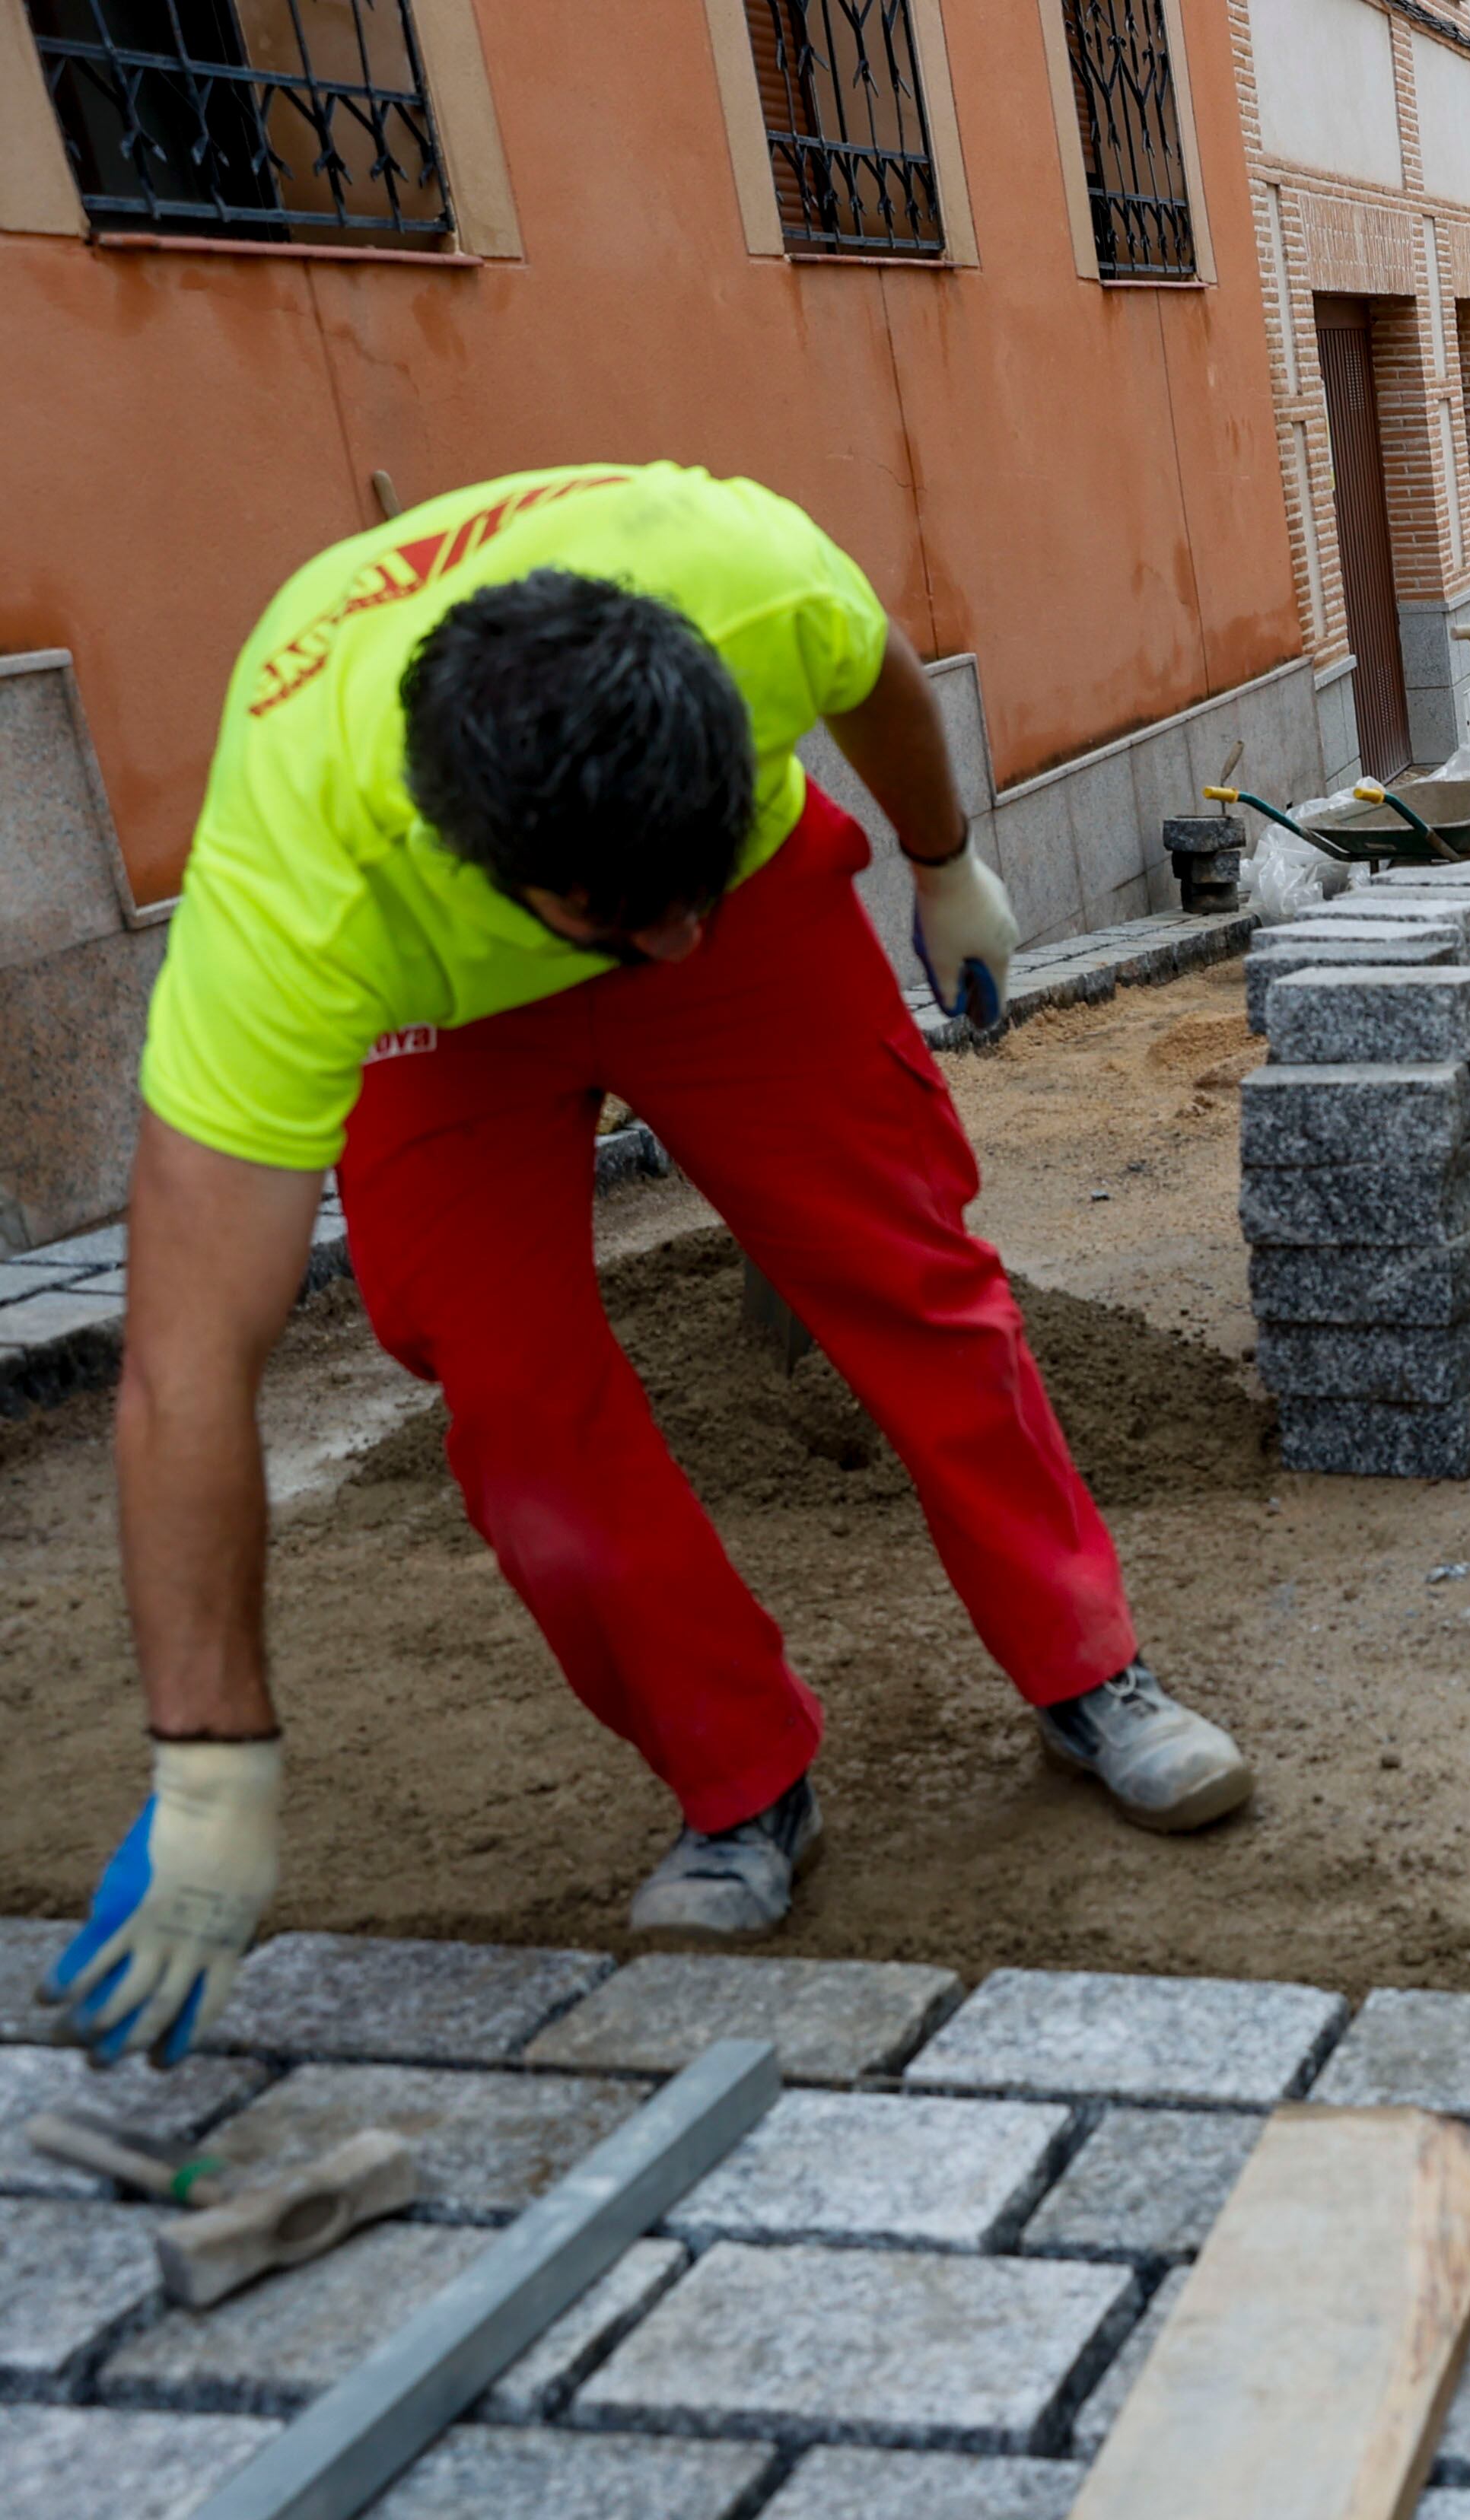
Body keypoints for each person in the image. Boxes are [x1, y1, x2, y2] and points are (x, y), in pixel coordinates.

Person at [43, 463, 1256, 2067]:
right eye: (633, 919)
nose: (669, 944)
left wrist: (941, 859)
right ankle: (740, 1781)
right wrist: (209, 1765)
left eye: (687, 894)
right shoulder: (296, 894)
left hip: (757, 893)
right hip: (440, 1014)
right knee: (512, 1394)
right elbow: (185, 1363)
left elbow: (879, 673)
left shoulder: (743, 573)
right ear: (475, 859)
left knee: (909, 1269)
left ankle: (1090, 1668)